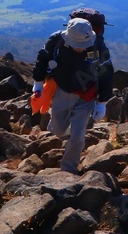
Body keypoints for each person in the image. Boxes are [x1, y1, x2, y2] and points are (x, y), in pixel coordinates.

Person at [32, 17, 113, 174]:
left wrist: (102, 102)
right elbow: (42, 59)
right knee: (59, 131)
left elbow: (106, 74)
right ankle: (62, 128)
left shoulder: (98, 47)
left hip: (86, 96)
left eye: (83, 45)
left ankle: (68, 169)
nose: (80, 48)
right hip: (62, 91)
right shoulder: (56, 41)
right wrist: (38, 82)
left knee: (77, 136)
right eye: (77, 45)